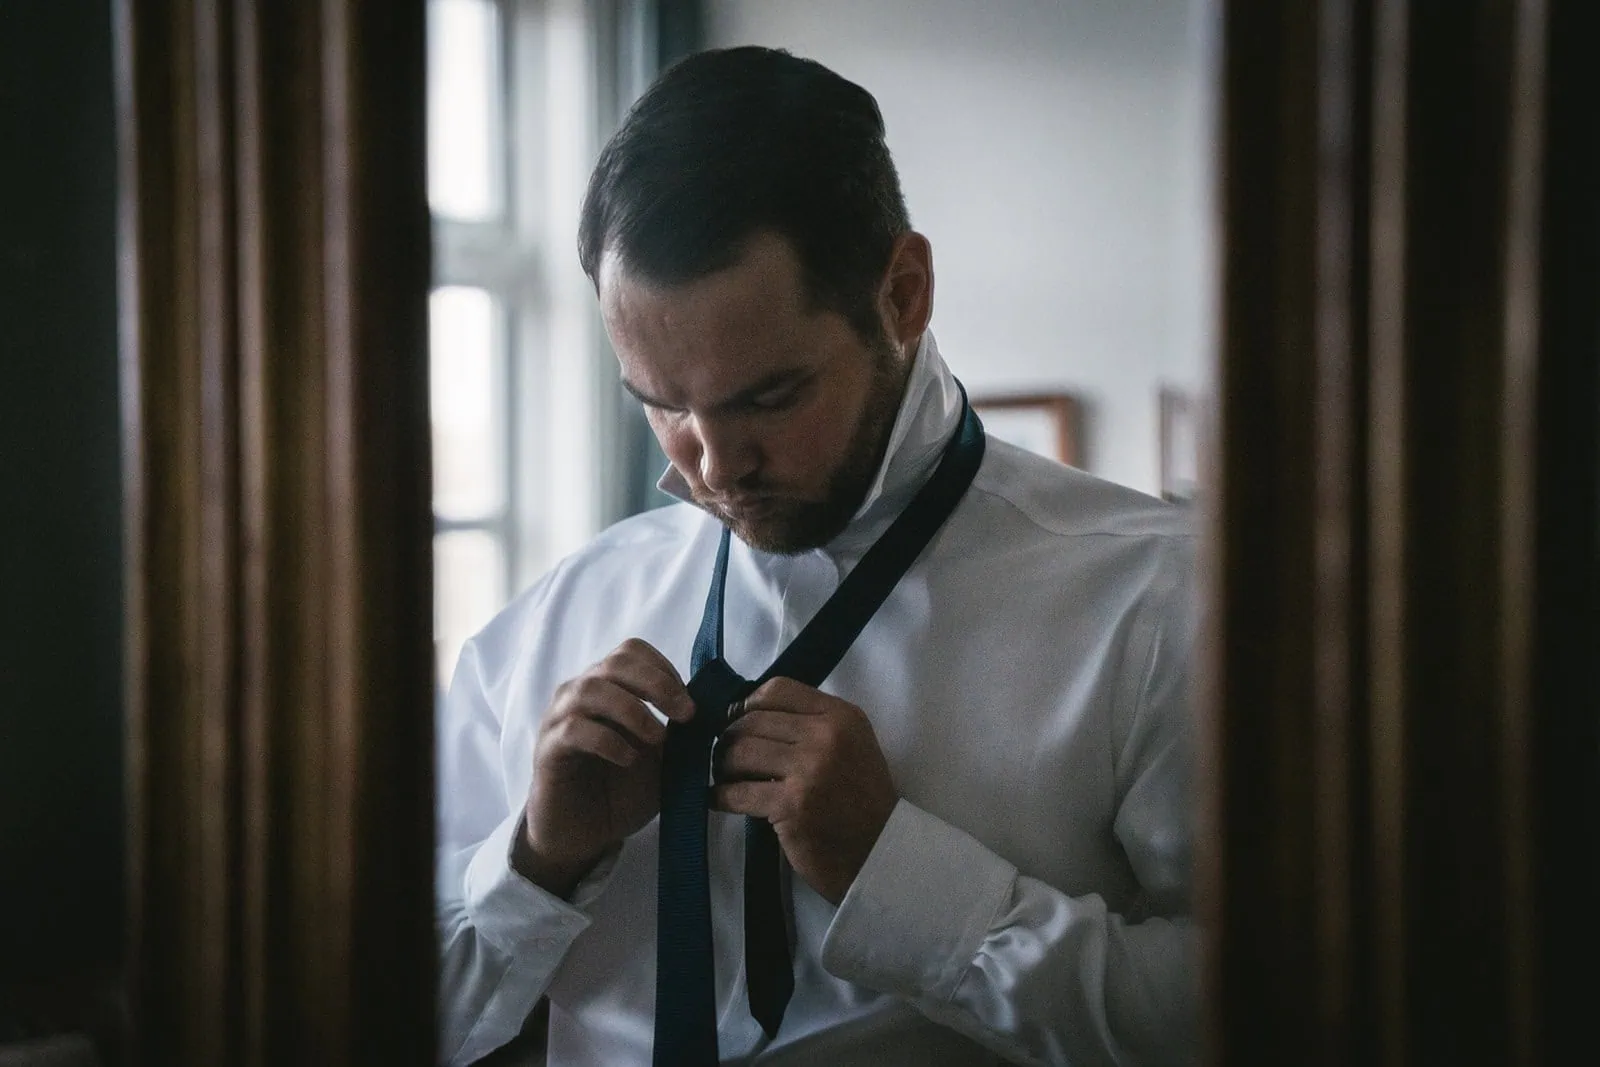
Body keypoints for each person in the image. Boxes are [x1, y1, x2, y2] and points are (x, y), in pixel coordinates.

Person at [436, 46, 1196, 1067]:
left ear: (904, 294)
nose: (714, 465)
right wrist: (534, 860)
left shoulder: (1160, 604)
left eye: (769, 396)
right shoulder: (554, 622)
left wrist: (908, 885)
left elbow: (1279, 1016)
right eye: (663, 404)